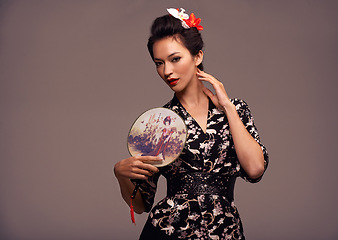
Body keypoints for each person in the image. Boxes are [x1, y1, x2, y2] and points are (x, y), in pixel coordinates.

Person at [114, 8, 269, 239]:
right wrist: (120, 175)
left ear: (198, 56)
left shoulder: (235, 110)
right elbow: (140, 204)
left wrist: (227, 107)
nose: (167, 71)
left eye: (175, 59)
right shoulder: (158, 122)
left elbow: (255, 169)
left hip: (225, 231)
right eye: (159, 63)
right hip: (169, 231)